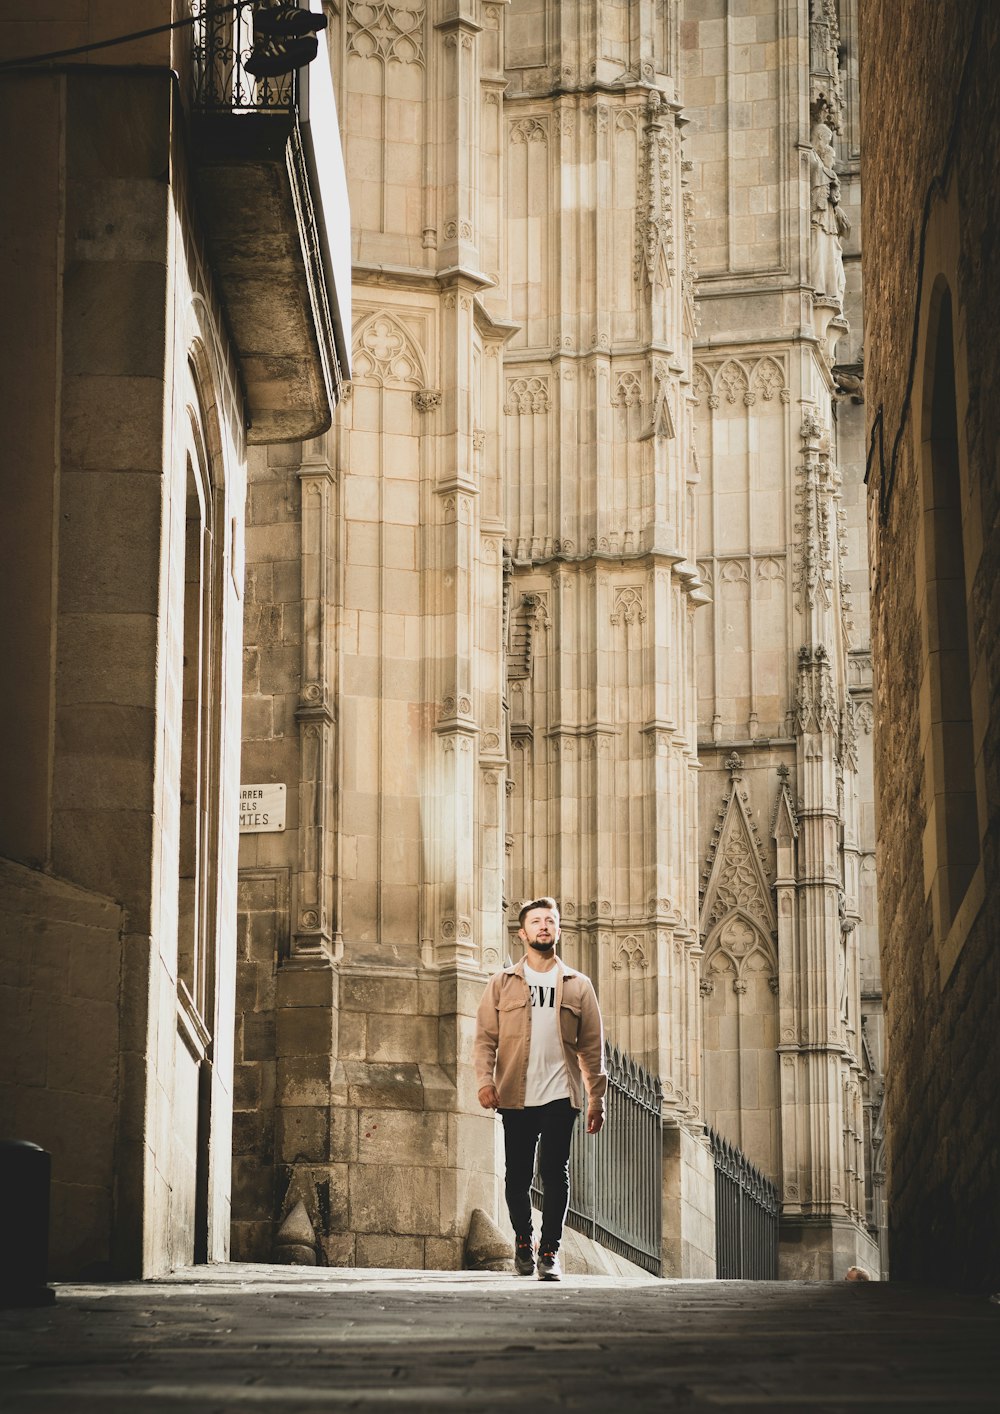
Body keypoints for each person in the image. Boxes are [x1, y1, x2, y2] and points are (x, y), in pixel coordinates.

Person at [473, 897, 607, 1281]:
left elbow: (592, 1047)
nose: (544, 926)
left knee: (554, 1173)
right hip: (515, 1094)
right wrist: (485, 1080)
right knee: (516, 1177)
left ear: (559, 930)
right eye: (536, 921)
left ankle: (549, 1251)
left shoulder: (579, 986)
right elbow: (484, 1038)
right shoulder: (501, 984)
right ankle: (522, 1241)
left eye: (550, 921)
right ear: (523, 932)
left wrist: (596, 1098)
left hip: (560, 1095)